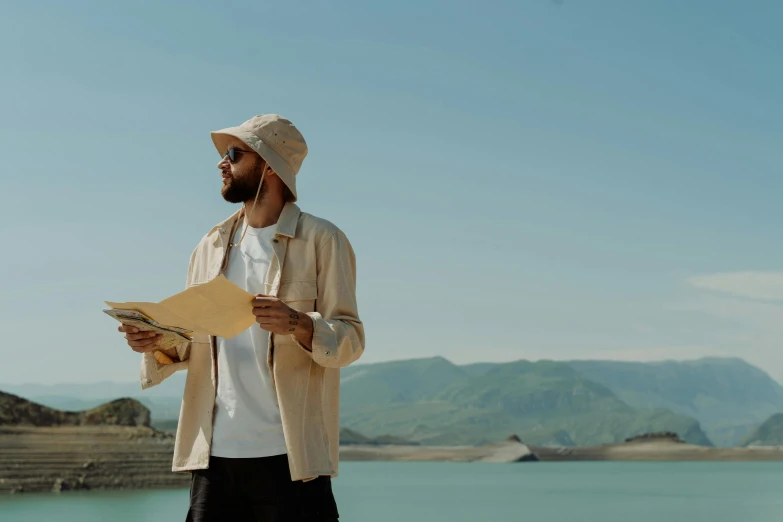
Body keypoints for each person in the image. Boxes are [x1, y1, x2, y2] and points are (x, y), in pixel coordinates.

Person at [117, 114, 365, 522]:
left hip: (292, 461)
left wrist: (300, 324)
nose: (221, 163)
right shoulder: (210, 246)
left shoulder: (323, 239)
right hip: (213, 460)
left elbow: (350, 339)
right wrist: (156, 343)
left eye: (233, 153)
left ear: (270, 164)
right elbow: (192, 338)